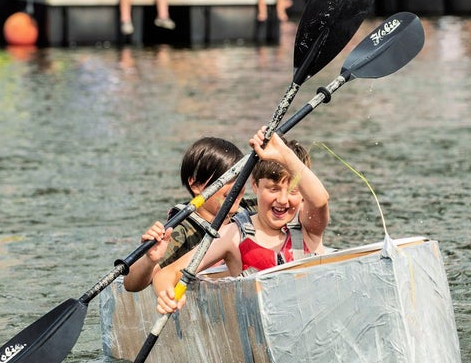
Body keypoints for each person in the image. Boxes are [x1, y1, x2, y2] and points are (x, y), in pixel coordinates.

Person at [153, 128, 330, 315]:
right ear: (255, 185)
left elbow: (320, 199)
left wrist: (285, 154)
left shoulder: (309, 226)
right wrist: (168, 296)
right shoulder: (233, 234)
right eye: (273, 189)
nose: (283, 200)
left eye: (293, 191)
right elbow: (167, 274)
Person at [123, 136, 246, 292]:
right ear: (196, 185)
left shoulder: (251, 210)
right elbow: (130, 285)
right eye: (227, 178)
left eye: (240, 178)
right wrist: (149, 260)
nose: (237, 186)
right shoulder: (182, 232)